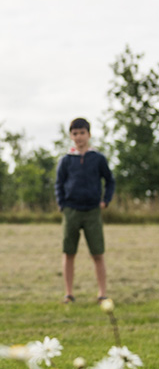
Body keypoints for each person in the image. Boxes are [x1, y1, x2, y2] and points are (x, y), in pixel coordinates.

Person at [55, 117, 115, 304]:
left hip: (92, 211)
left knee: (97, 253)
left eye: (82, 133)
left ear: (88, 134)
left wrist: (105, 200)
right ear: (71, 136)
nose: (79, 137)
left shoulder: (97, 158)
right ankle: (69, 294)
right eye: (75, 133)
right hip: (71, 210)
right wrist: (61, 203)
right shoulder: (66, 160)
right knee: (69, 252)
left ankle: (102, 294)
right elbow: (59, 183)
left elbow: (110, 180)